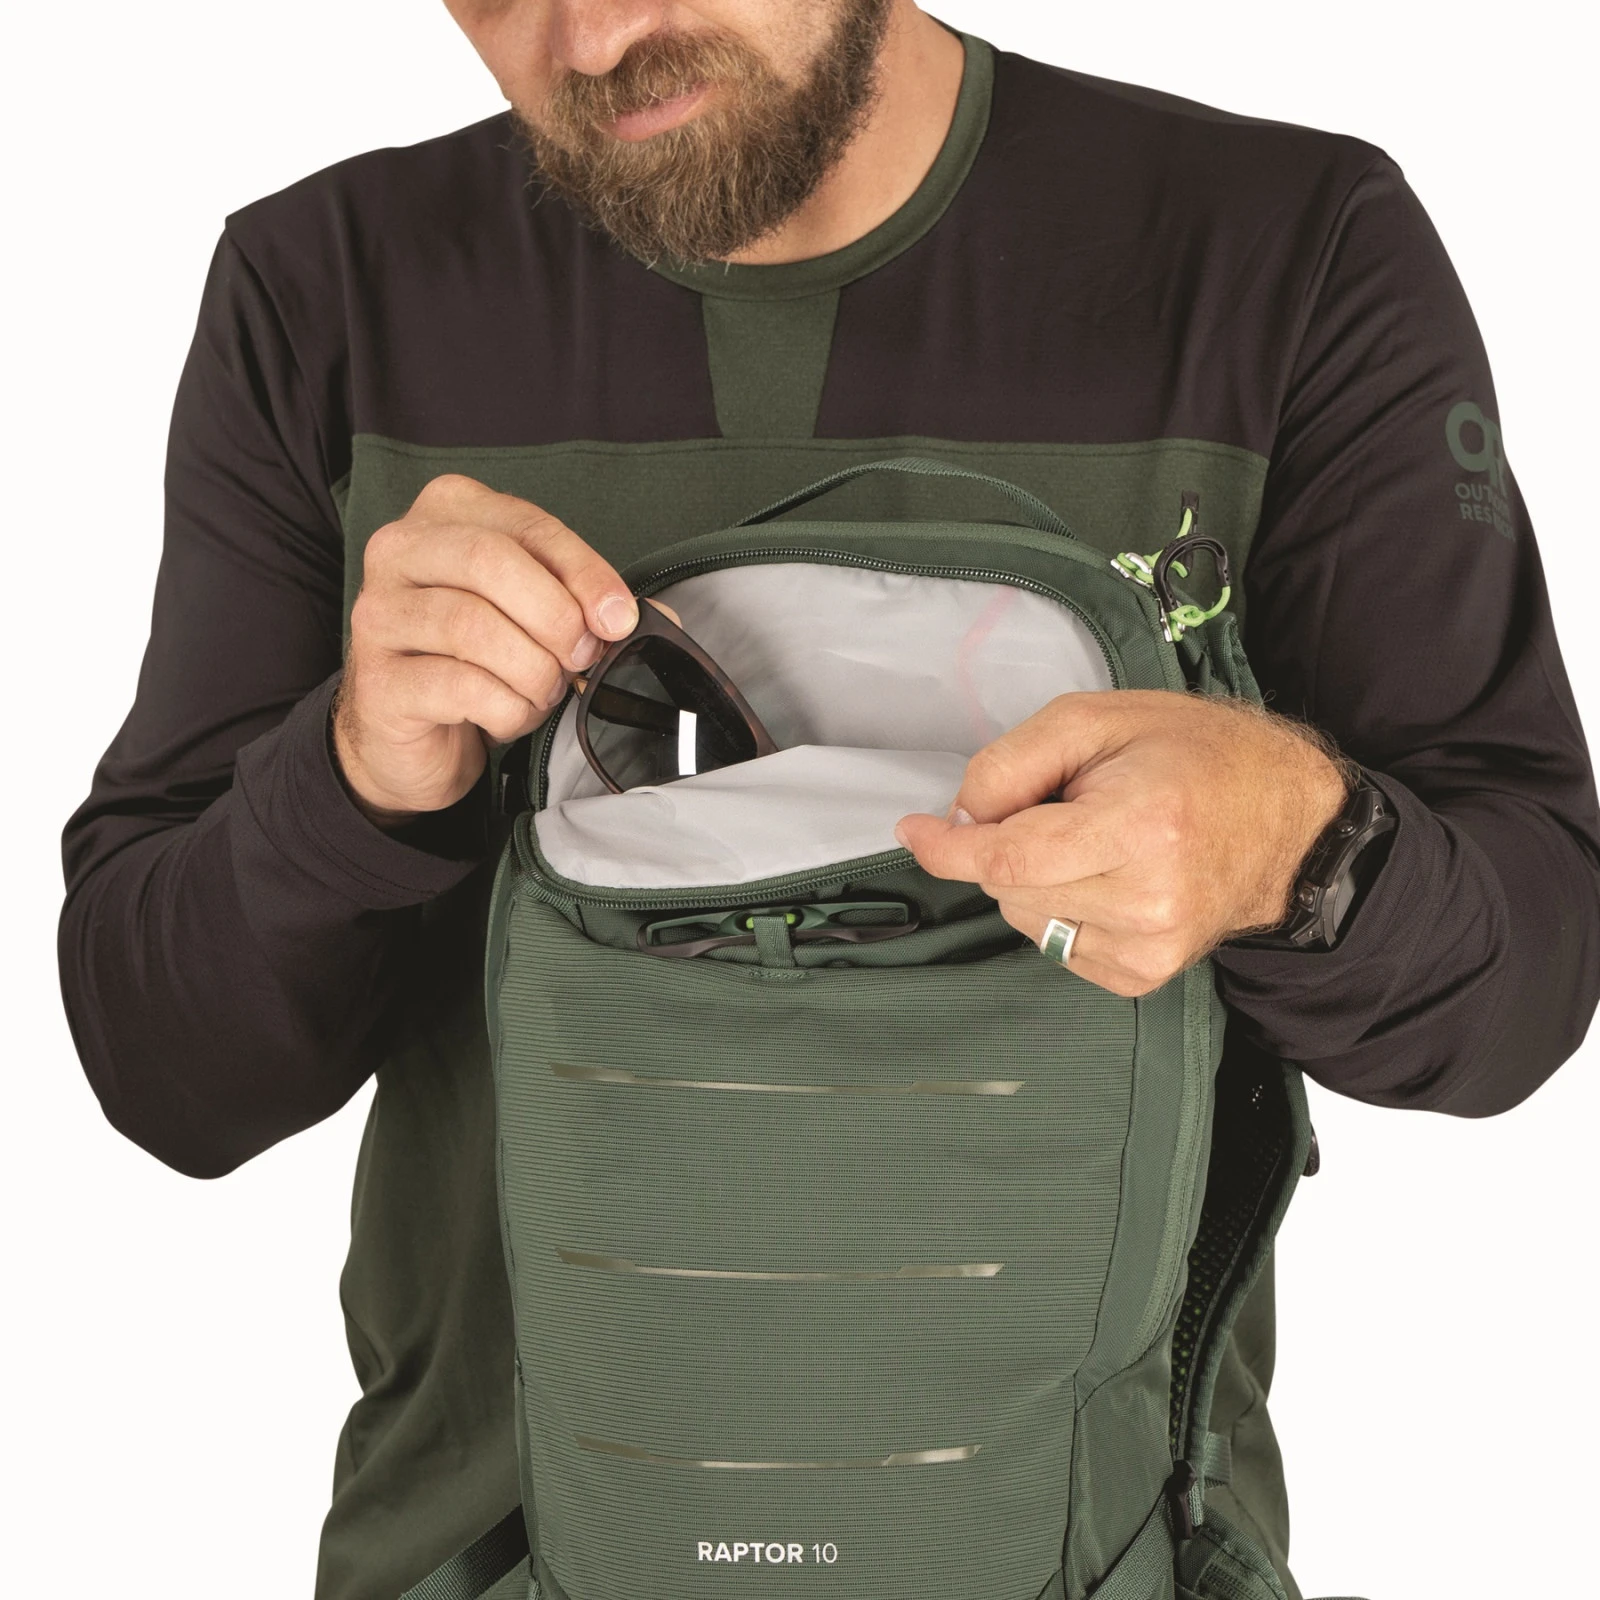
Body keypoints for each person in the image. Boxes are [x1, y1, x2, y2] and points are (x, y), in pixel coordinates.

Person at [57, 2, 1600, 1596]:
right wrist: (354, 781)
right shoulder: (325, 289)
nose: (592, 38)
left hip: (1104, 1560)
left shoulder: (1282, 252)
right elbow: (165, 1072)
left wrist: (1294, 849)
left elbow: (1526, 984)